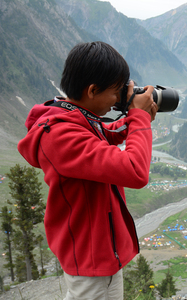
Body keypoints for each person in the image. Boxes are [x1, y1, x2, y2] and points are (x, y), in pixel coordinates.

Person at [17, 41, 158, 299]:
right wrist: (139, 118)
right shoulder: (60, 135)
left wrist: (130, 119)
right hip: (93, 259)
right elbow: (136, 172)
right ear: (92, 90)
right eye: (116, 94)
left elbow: (100, 136)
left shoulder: (71, 117)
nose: (118, 100)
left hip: (94, 254)